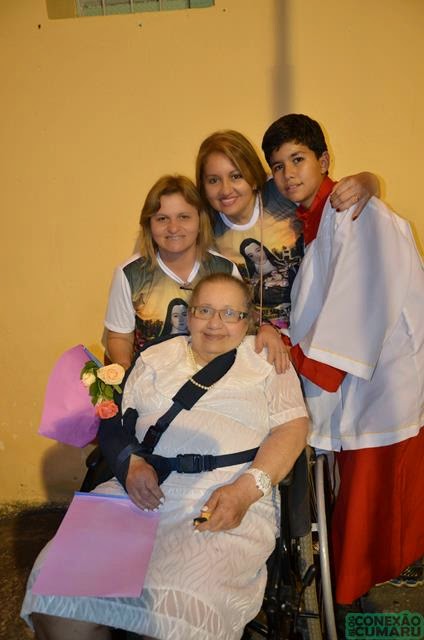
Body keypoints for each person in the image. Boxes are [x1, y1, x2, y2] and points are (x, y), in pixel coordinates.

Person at [22, 273, 309, 640]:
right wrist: (130, 463)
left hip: (223, 496)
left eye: (229, 313)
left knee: (179, 614)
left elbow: (291, 428)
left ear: (248, 320)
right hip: (139, 489)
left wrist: (247, 489)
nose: (215, 323)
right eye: (204, 310)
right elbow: (116, 419)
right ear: (189, 314)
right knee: (58, 597)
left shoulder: (266, 360)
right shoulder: (156, 357)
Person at [261, 113, 424, 603]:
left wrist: (309, 364)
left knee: (377, 491)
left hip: (382, 382)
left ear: (324, 160)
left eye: (298, 159)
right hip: (359, 380)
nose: (288, 173)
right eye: (278, 166)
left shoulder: (356, 210)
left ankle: (371, 583)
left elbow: (363, 296)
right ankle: (355, 583)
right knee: (353, 486)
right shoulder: (317, 218)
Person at [195, 129, 379, 334]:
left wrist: (368, 181)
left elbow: (327, 196)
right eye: (213, 180)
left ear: (253, 178)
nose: (226, 189)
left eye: (236, 176)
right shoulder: (204, 228)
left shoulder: (281, 194)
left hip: (317, 327)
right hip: (256, 338)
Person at [104, 174, 287, 372]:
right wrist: (126, 372)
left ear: (200, 220)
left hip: (215, 376)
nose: (173, 228)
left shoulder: (224, 269)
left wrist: (267, 329)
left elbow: (242, 324)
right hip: (153, 379)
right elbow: (119, 336)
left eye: (184, 217)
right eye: (162, 219)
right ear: (149, 224)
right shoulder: (129, 274)